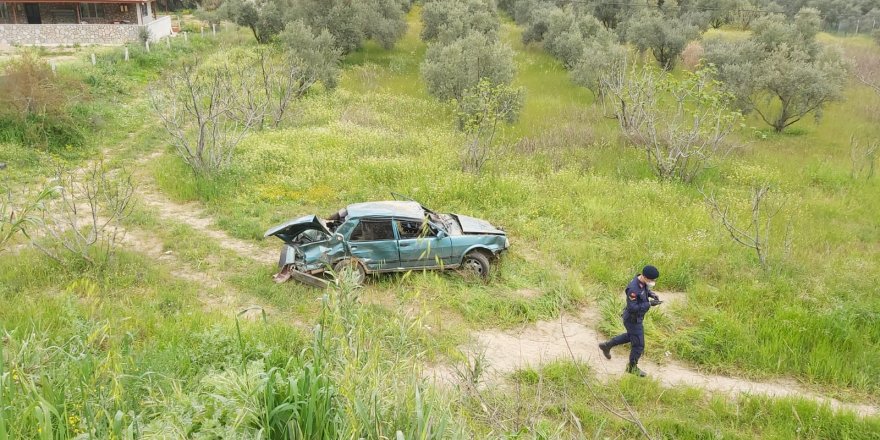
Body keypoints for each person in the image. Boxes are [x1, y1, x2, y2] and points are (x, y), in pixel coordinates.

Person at [598, 265, 663, 377]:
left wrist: (652, 294)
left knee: (631, 336)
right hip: (632, 319)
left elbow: (644, 290)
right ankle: (632, 368)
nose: (653, 282)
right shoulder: (633, 289)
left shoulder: (642, 282)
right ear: (645, 277)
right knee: (638, 345)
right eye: (652, 280)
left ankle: (607, 345)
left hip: (636, 318)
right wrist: (649, 304)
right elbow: (633, 307)